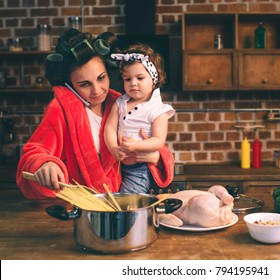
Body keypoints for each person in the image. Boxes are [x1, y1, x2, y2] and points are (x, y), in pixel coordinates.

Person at [16, 29, 174, 199]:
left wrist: (155, 157)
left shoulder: (117, 102)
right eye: (85, 84)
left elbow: (159, 145)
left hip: (115, 199)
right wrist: (45, 164)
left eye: (101, 78)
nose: (97, 91)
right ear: (70, 84)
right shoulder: (61, 109)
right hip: (78, 204)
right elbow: (34, 152)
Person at [105, 43, 175, 194]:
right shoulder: (120, 103)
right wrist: (113, 148)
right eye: (127, 79)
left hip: (138, 169)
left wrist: (136, 145)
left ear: (154, 79)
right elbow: (109, 128)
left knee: (128, 202)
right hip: (118, 165)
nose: (133, 83)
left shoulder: (157, 110)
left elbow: (158, 140)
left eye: (140, 78)